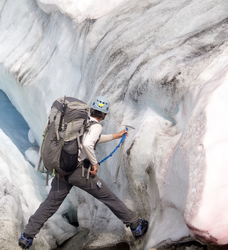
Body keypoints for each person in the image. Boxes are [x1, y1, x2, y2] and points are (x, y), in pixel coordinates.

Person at [19, 96, 148, 249]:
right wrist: (94, 164)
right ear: (105, 115)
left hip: (62, 171)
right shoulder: (96, 126)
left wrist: (115, 136)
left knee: (49, 205)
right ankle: (135, 224)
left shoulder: (80, 124)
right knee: (108, 197)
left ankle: (27, 236)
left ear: (91, 109)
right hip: (79, 173)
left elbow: (89, 139)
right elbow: (88, 144)